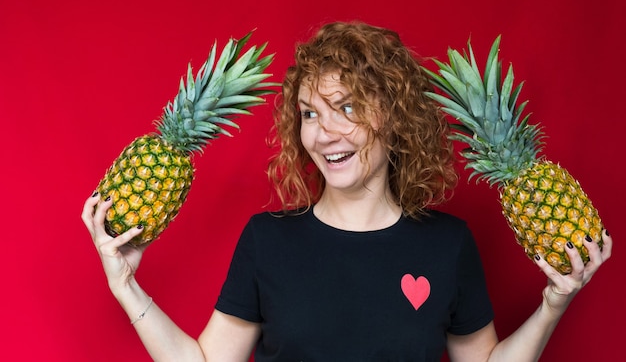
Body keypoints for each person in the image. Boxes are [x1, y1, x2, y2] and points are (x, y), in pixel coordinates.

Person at [83, 22, 612, 361]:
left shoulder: (447, 244)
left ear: (396, 119)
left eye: (349, 109)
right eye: (311, 113)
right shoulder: (269, 240)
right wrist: (125, 284)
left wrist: (553, 303)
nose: (323, 132)